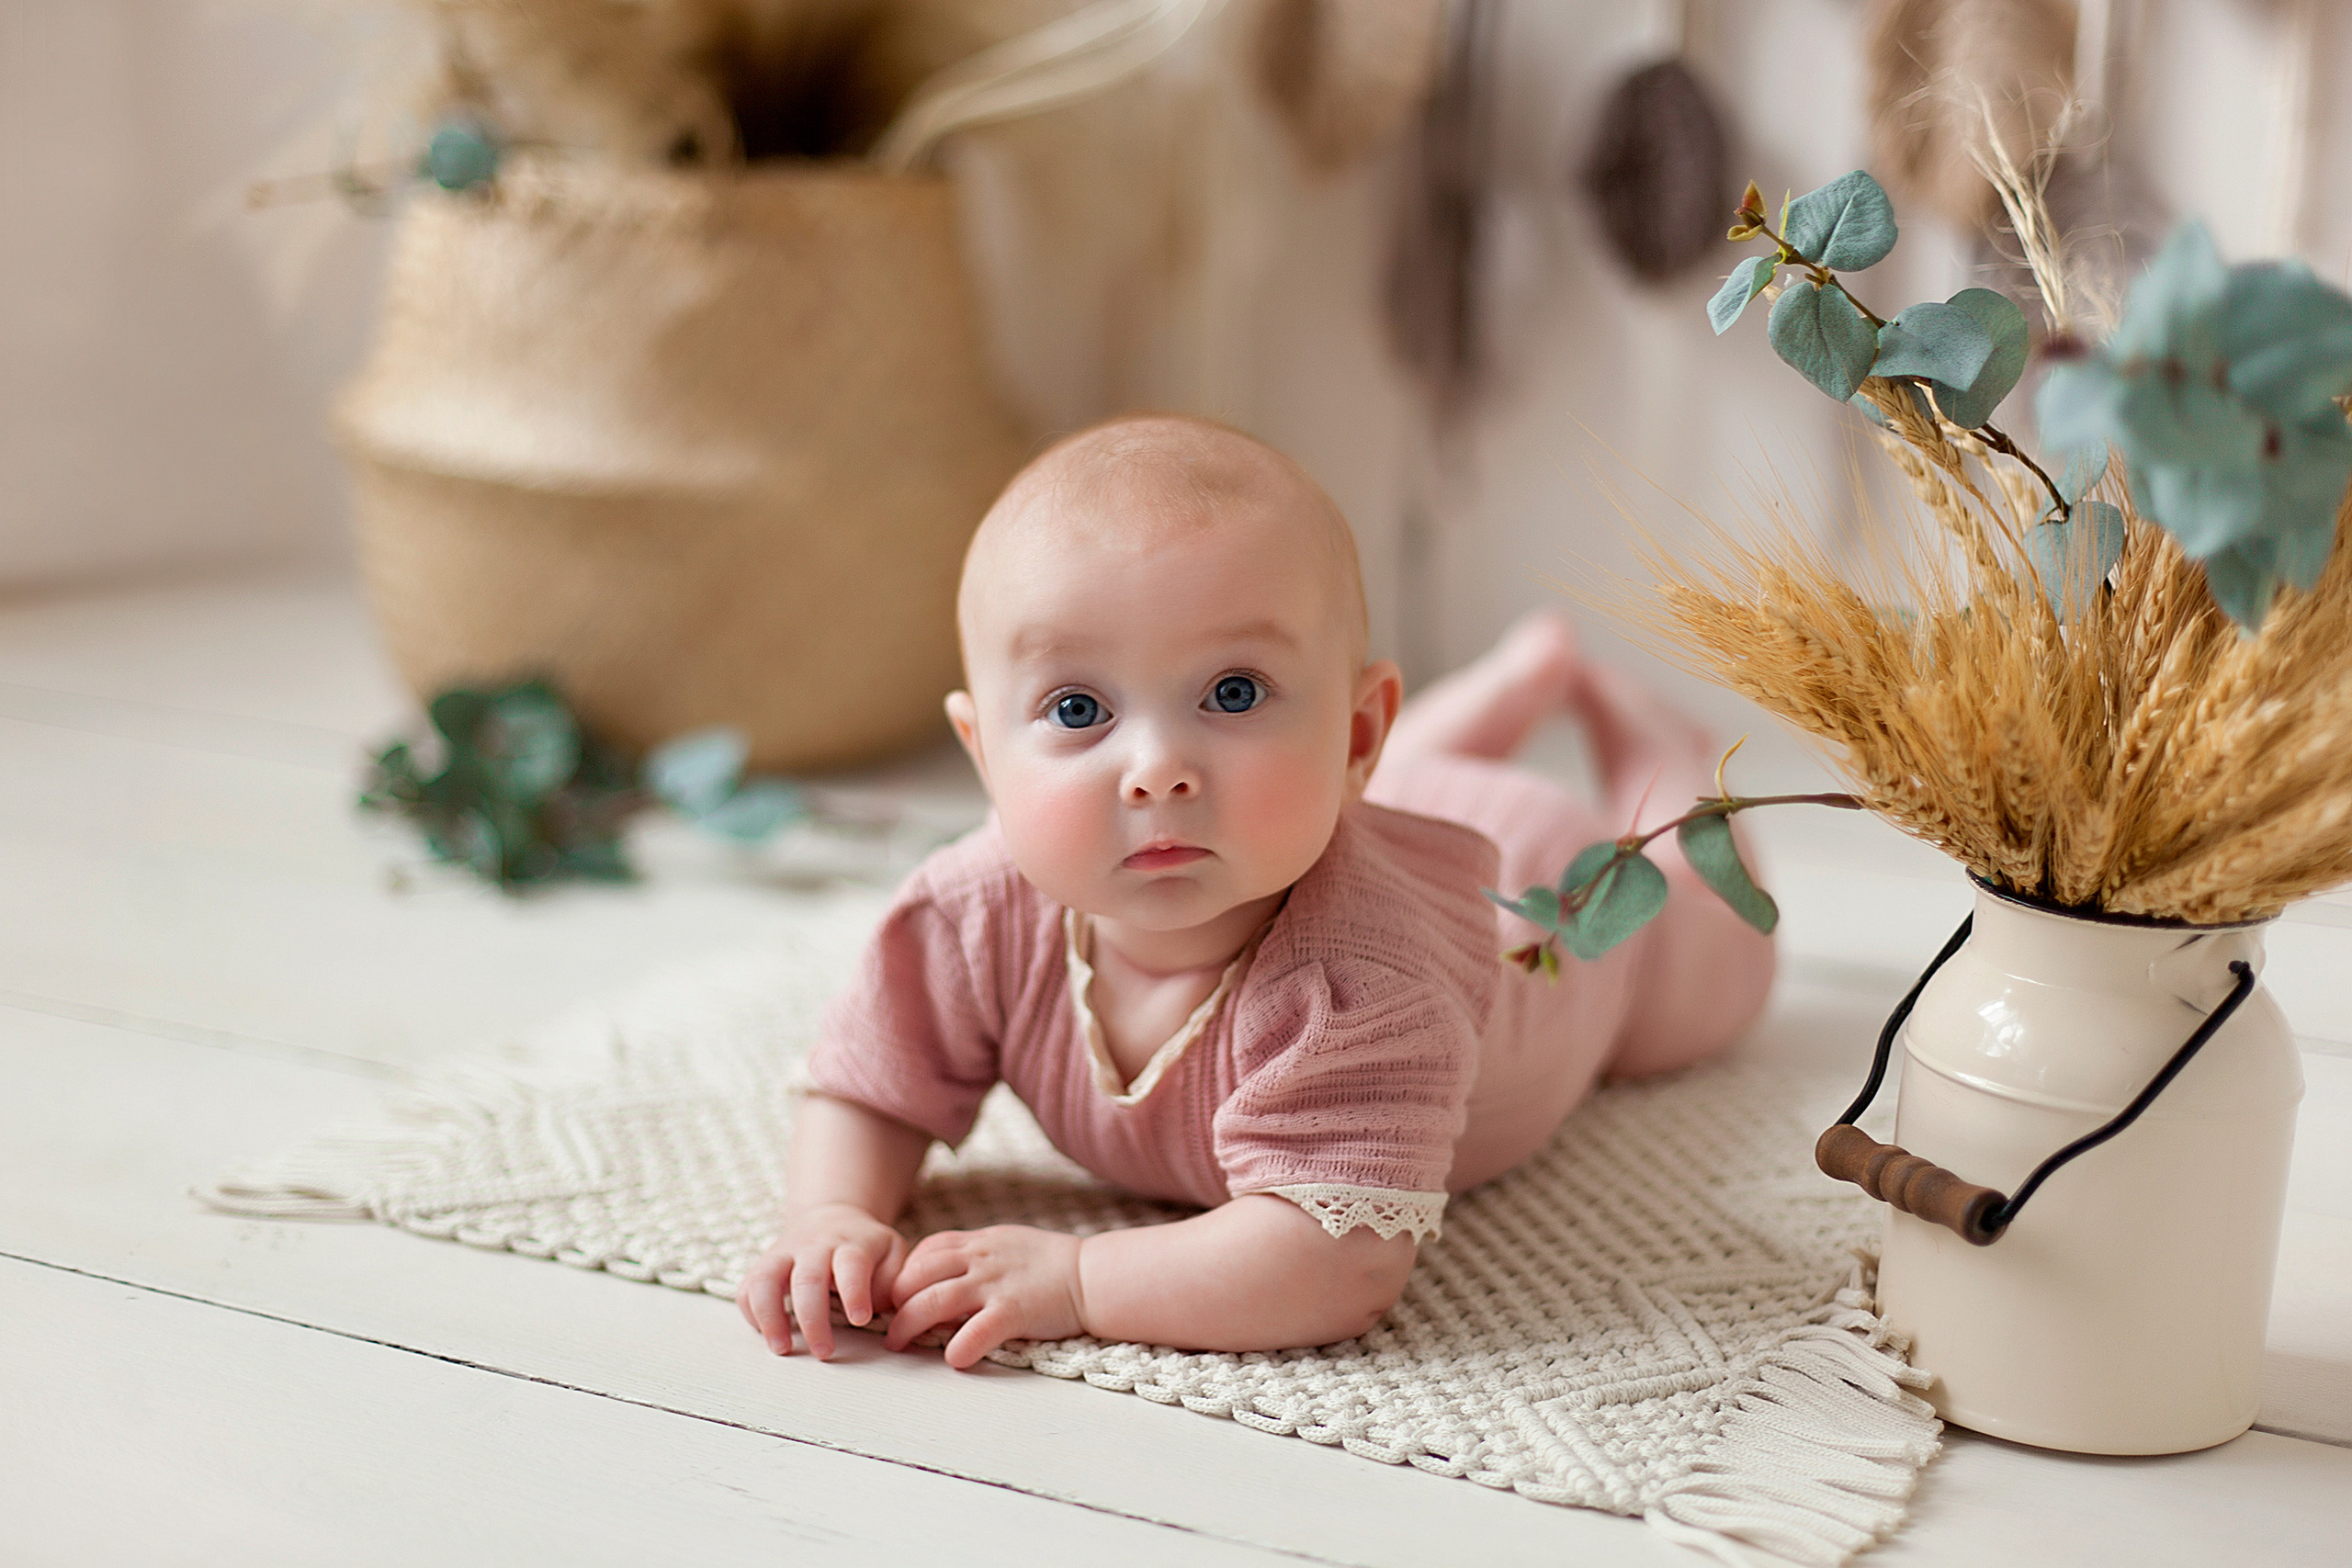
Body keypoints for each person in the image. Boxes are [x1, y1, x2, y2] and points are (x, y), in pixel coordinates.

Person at [735, 414, 1775, 1369]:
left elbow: (1336, 1263)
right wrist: (830, 1211)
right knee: (1318, 795)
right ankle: (1507, 688)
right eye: (1076, 706)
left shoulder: (1359, 980)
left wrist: (1078, 1278)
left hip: (1556, 896)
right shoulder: (973, 913)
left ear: (1354, 730)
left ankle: (1662, 755)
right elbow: (873, 1074)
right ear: (982, 752)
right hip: (1363, 797)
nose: (1155, 769)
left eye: (1232, 693)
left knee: (1706, 980)